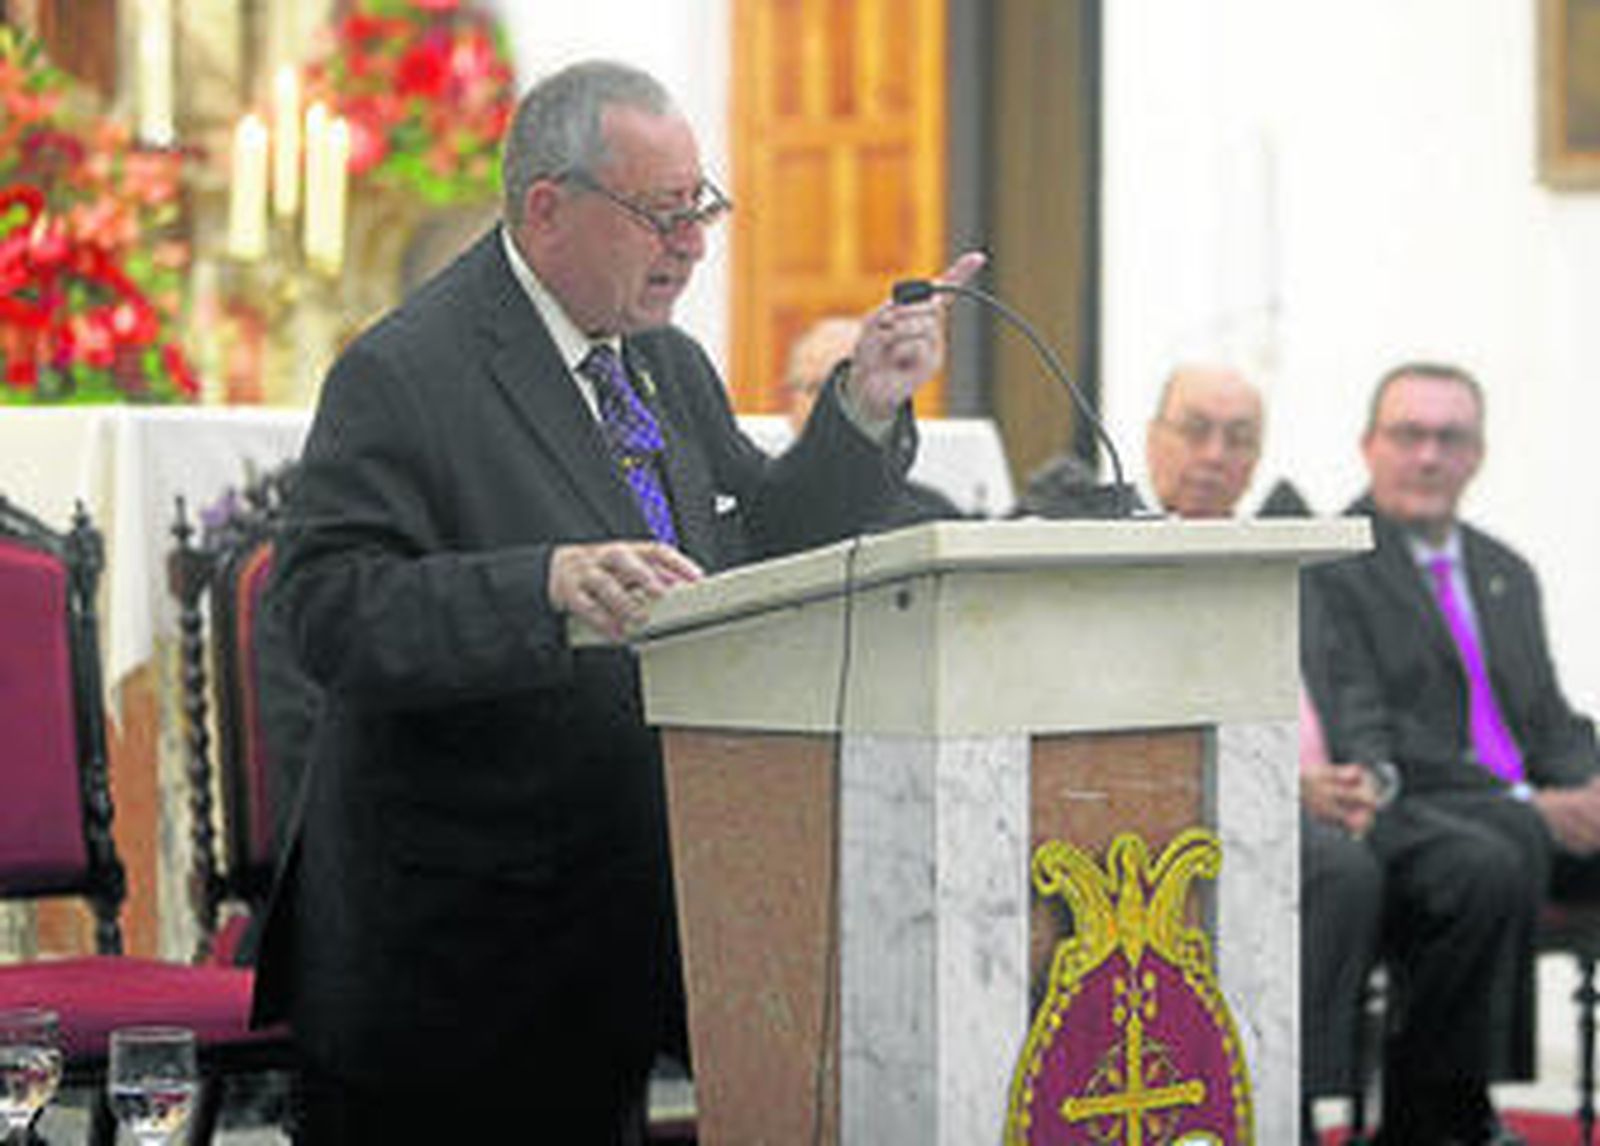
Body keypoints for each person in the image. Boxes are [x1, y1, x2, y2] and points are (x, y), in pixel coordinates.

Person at [249, 59, 982, 1142]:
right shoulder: (407, 372)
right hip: (456, 954)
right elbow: (327, 609)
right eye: (660, 215)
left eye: (701, 210)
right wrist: (540, 586)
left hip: (622, 914)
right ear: (548, 208)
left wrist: (863, 406)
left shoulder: (664, 366)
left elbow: (758, 558)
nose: (692, 244)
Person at [1308, 361, 1600, 1144]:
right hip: (1406, 808)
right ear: (1370, 446)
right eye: (1410, 435)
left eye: (1451, 438)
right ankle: (1439, 1119)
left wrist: (1590, 782)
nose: (1429, 456)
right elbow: (1369, 731)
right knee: (1488, 861)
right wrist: (1526, 805)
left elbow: (1545, 719)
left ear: (1477, 454)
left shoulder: (1506, 571)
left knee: (1523, 839)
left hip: (1518, 809)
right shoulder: (1332, 565)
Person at [1129, 364, 1388, 1140]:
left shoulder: (1293, 562)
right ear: (1152, 439)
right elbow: (1146, 718)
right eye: (1195, 430)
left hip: (1327, 808)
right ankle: (1284, 1106)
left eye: (1238, 439)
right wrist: (1284, 785)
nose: (1214, 455)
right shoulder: (1110, 554)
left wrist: (1370, 778)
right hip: (1196, 801)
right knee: (1338, 870)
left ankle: (1426, 1109)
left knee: (1458, 861)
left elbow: (1359, 695)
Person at [783, 314, 964, 523]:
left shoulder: (930, 517)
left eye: (843, 387)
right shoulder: (762, 512)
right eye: (812, 388)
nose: (825, 404)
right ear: (789, 404)